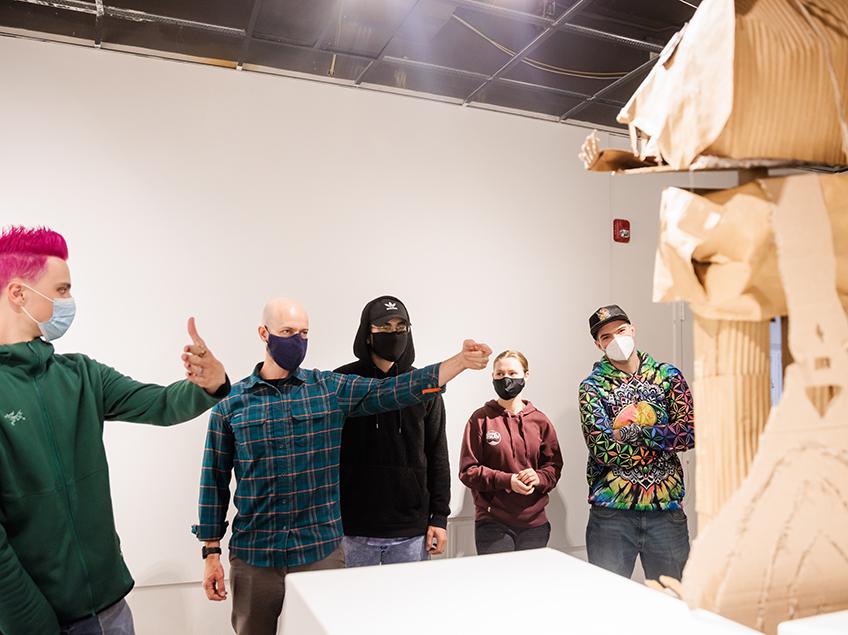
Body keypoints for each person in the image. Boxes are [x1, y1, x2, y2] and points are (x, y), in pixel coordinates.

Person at [194, 297, 491, 635]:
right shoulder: (231, 405)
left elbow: (396, 390)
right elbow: (213, 482)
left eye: (303, 333)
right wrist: (211, 552)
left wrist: (460, 362)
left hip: (319, 549)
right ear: (264, 333)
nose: (296, 340)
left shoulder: (328, 390)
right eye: (287, 331)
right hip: (255, 555)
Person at [0, 225, 229, 635]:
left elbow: (159, 404)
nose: (69, 301)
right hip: (34, 620)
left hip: (110, 611)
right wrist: (33, 623)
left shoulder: (82, 375)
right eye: (63, 289)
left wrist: (208, 384)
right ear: (19, 293)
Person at [579, 304, 695, 580]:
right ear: (598, 344)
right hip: (611, 514)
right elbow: (603, 449)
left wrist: (635, 432)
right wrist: (663, 438)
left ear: (633, 330)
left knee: (672, 598)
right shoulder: (592, 387)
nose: (615, 339)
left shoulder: (668, 376)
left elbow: (688, 433)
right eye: (606, 336)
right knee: (608, 603)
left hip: (665, 511)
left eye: (620, 330)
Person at [335, 296, 450, 565]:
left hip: (412, 531)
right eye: (384, 327)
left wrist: (439, 517)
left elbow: (437, 454)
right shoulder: (342, 383)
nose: (394, 333)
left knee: (410, 607)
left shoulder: (424, 386)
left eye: (401, 326)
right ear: (367, 333)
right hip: (353, 530)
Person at [459, 350, 562, 555]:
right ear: (492, 377)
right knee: (499, 585)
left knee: (529, 586)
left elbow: (553, 468)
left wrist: (538, 477)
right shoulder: (480, 419)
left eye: (513, 373)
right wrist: (508, 481)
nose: (506, 378)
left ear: (526, 375)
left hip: (535, 525)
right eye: (500, 374)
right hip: (493, 524)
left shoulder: (540, 421)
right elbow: (468, 471)